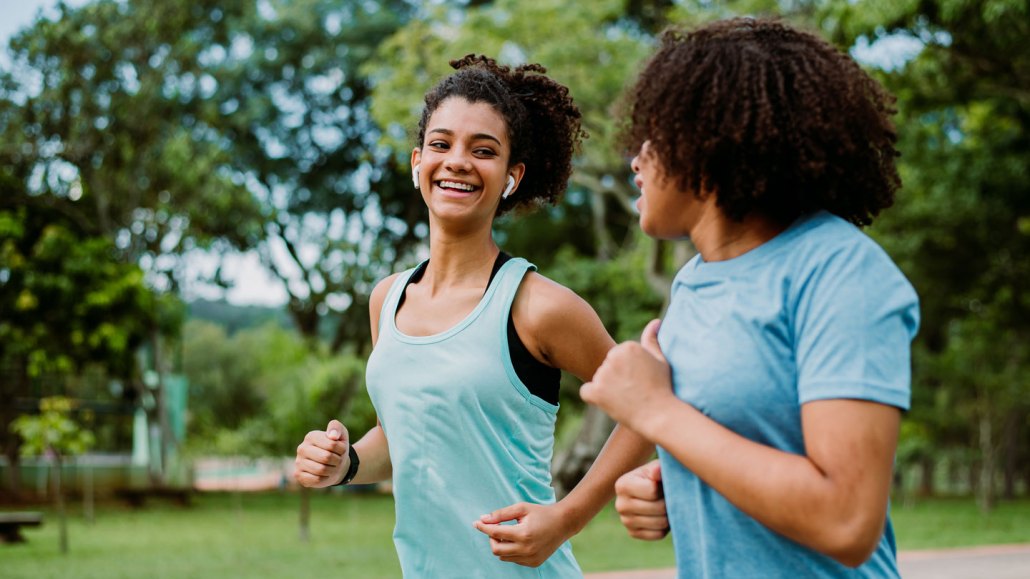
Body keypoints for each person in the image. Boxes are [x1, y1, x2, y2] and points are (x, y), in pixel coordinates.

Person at [580, 18, 920, 578]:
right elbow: (735, 438)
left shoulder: (842, 272)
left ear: (711, 141)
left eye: (654, 136)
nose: (635, 159)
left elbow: (846, 521)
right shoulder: (692, 284)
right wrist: (672, 488)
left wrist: (658, 414)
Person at [293, 55, 653, 577]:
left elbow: (649, 408)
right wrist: (344, 464)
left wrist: (566, 518)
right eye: (441, 144)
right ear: (418, 161)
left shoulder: (538, 305)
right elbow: (401, 439)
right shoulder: (387, 299)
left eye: (483, 151)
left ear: (512, 176)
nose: (457, 161)